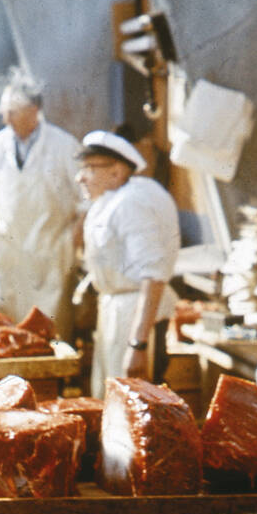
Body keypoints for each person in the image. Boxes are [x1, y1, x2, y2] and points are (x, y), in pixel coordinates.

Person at [0, 85, 81, 323]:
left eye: (13, 112)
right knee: (9, 325)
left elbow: (86, 199)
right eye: (4, 112)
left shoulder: (63, 144)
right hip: (10, 251)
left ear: (34, 110)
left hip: (51, 252)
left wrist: (74, 239)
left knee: (50, 327)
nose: (6, 119)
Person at [76, 129, 179, 398]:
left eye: (90, 168)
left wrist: (138, 344)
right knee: (112, 402)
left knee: (137, 406)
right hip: (116, 310)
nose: (81, 176)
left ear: (117, 172)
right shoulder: (109, 202)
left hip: (136, 314)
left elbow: (153, 275)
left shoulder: (132, 202)